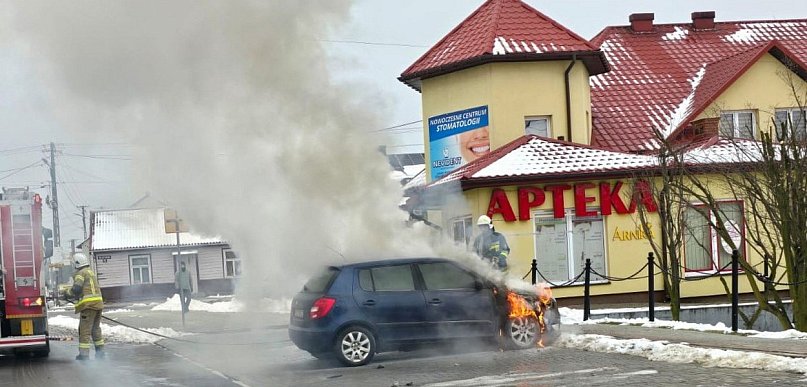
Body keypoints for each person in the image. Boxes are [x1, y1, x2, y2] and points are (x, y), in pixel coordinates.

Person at [62, 253, 104, 360]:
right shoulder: (90, 272)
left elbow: (76, 289)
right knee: (96, 329)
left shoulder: (80, 273)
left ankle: (84, 356)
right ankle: (100, 354)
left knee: (84, 331)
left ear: (77, 263)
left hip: (89, 307)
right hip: (98, 304)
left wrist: (66, 293)